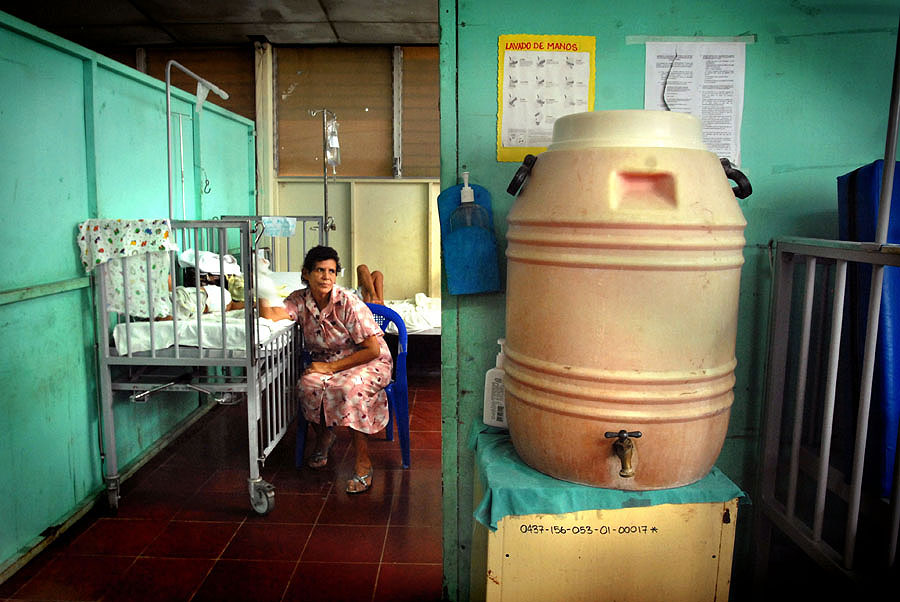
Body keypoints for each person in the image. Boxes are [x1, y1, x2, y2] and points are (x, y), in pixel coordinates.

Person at [284, 246, 392, 494]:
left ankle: (363, 463)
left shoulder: (346, 301)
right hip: (331, 361)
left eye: (331, 271)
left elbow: (372, 350)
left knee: (349, 388)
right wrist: (255, 293)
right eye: (320, 270)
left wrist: (330, 368)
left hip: (369, 360)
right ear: (306, 274)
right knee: (307, 384)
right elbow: (277, 313)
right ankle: (324, 436)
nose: (326, 277)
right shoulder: (299, 300)